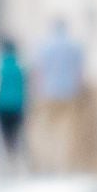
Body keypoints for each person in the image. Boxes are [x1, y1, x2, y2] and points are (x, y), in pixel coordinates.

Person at [31, 17, 86, 171]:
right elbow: (79, 73)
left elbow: (38, 72)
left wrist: (38, 92)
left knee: (48, 130)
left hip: (49, 93)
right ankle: (63, 164)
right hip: (69, 93)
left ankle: (49, 163)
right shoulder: (74, 47)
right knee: (66, 130)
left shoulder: (45, 46)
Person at [0, 39, 28, 167]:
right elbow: (24, 88)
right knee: (16, 136)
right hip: (17, 106)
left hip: (2, 107)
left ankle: (4, 164)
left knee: (3, 137)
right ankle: (15, 163)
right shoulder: (20, 68)